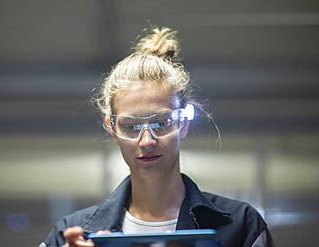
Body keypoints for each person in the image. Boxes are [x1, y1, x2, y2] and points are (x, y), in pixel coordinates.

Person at [40, 26, 273, 247]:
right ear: (112, 129)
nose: (147, 141)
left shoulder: (241, 226)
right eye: (131, 126)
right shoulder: (70, 235)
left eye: (162, 123)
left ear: (183, 124)